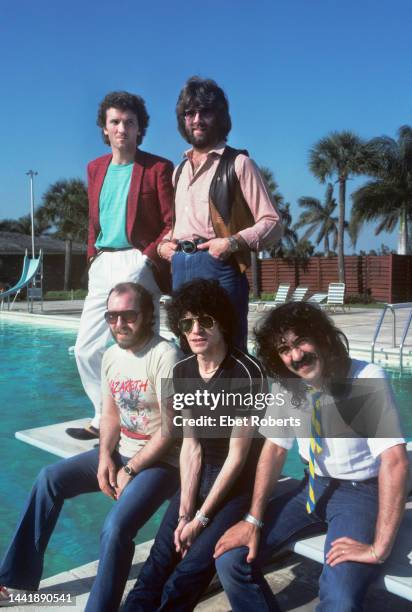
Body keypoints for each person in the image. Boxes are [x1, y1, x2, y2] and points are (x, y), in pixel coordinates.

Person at [214, 302, 409, 612]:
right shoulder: (287, 385)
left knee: (340, 600)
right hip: (312, 486)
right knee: (231, 559)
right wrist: (253, 519)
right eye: (284, 349)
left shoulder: (365, 378)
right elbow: (276, 449)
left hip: (359, 494)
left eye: (301, 341)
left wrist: (378, 549)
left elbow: (395, 461)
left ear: (322, 336)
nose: (295, 356)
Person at [0, 283, 181, 611]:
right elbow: (110, 414)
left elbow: (170, 430)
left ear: (148, 316)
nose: (119, 324)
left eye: (128, 315)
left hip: (164, 462)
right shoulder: (111, 355)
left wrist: (129, 468)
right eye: (112, 316)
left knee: (114, 528)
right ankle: (15, 577)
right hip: (123, 451)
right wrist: (103, 460)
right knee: (49, 479)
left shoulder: (165, 355)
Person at [123, 279, 266, 611]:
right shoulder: (182, 371)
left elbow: (238, 457)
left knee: (184, 577)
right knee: (156, 565)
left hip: (236, 486)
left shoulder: (246, 373)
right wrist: (185, 510)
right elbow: (191, 446)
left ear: (222, 322)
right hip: (198, 476)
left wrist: (200, 521)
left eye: (206, 320)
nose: (196, 329)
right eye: (187, 323)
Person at [68, 91, 174, 440]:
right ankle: (104, 416)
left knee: (146, 344)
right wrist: (92, 258)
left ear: (140, 128)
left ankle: (155, 419)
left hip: (138, 259)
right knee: (86, 347)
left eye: (130, 122)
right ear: (104, 128)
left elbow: (171, 222)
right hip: (103, 260)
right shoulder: (95, 168)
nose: (122, 128)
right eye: (115, 122)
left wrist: (146, 257)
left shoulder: (158, 168)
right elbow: (93, 220)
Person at [157, 76, 283, 350]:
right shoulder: (179, 171)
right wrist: (165, 246)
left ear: (220, 116)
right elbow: (179, 224)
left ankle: (236, 395)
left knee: (229, 350)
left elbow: (273, 223)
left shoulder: (239, 163)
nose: (197, 119)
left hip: (220, 265)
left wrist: (231, 243)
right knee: (188, 347)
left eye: (205, 111)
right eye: (189, 113)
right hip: (181, 265)